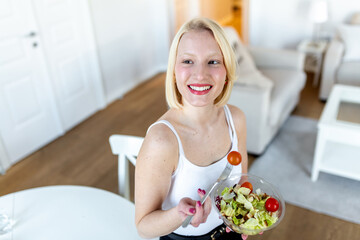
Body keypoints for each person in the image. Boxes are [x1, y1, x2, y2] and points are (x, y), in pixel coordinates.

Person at [135, 17, 248, 240]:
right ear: (174, 71)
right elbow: (143, 227)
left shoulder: (236, 119)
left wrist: (245, 215)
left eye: (213, 62)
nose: (200, 74)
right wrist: (178, 214)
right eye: (188, 61)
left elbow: (242, 180)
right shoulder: (162, 141)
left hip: (230, 231)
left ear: (226, 71)